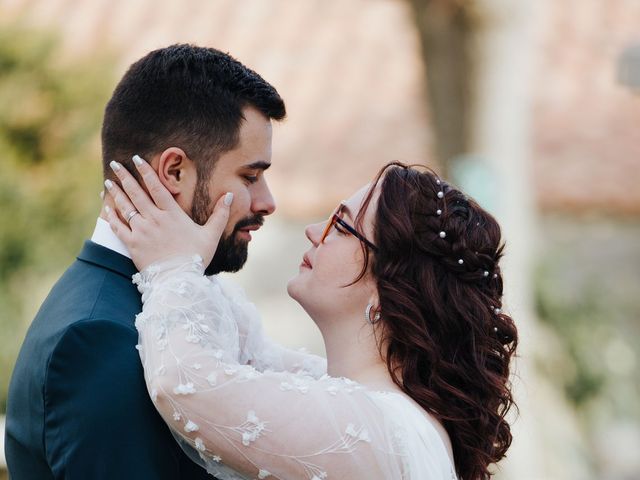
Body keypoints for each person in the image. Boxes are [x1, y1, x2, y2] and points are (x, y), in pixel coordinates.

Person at [103, 156, 519, 480]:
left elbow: (185, 382)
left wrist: (174, 267)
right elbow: (252, 356)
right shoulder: (365, 402)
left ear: (387, 288)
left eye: (341, 226)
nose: (313, 230)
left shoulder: (376, 429)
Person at [5, 44, 286, 479]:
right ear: (174, 171)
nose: (267, 202)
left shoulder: (166, 304)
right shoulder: (97, 339)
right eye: (250, 176)